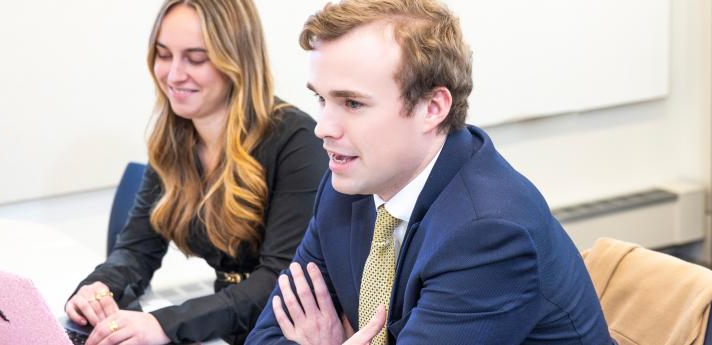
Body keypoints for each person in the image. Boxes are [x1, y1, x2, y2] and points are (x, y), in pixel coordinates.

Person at [247, 0, 614, 344]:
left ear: (432, 107)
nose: (323, 127)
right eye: (321, 99)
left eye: (353, 103)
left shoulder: (488, 232)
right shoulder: (346, 186)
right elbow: (266, 335)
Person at [64, 1, 327, 344]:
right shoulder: (174, 139)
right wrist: (98, 288)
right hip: (227, 327)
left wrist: (165, 325)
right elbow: (135, 249)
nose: (173, 75)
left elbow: (278, 283)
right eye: (163, 54)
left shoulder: (295, 142)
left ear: (237, 60)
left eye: (196, 58)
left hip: (287, 332)